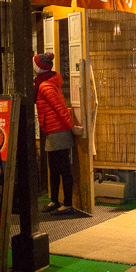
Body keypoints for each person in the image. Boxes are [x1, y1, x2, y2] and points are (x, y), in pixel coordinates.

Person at [33, 52, 82, 216]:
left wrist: (71, 126)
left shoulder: (45, 86)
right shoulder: (44, 83)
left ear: (39, 68)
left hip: (58, 131)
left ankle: (67, 203)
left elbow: (60, 108)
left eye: (34, 65)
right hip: (53, 130)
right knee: (54, 168)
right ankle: (55, 200)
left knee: (62, 168)